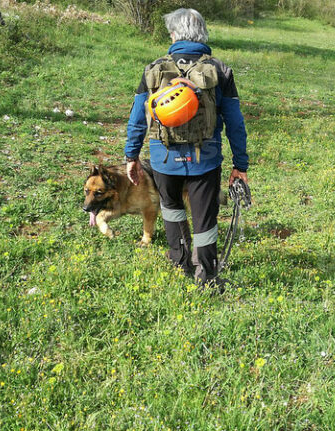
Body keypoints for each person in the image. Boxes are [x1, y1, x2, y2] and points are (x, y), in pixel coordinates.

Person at [124, 8, 249, 288]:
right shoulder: (220, 70)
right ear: (203, 33)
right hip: (204, 158)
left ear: (174, 35)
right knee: (205, 219)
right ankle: (206, 276)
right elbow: (235, 123)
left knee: (171, 209)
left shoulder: (153, 69)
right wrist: (240, 165)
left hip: (163, 158)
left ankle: (180, 264)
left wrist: (131, 156)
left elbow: (136, 118)